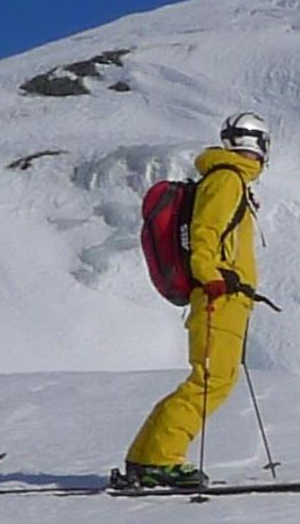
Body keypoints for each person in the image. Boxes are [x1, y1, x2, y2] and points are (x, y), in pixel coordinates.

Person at [114, 113, 268, 492]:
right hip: (220, 294)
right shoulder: (227, 179)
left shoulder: (228, 179)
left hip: (226, 295)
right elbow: (205, 232)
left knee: (211, 379)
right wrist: (211, 277)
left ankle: (147, 458)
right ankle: (161, 460)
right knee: (210, 380)